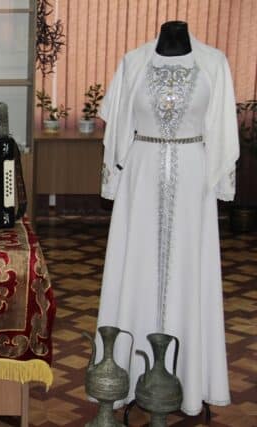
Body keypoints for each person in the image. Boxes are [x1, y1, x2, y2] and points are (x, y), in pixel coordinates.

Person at [95, 21, 238, 415]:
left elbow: (224, 129)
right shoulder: (133, 62)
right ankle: (128, 377)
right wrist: (113, 180)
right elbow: (117, 129)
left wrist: (222, 182)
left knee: (190, 273)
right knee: (136, 269)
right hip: (140, 178)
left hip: (194, 178)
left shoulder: (214, 63)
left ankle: (189, 381)